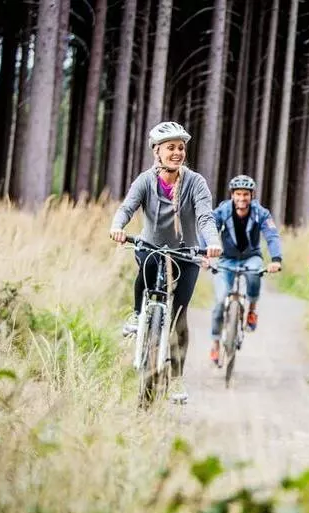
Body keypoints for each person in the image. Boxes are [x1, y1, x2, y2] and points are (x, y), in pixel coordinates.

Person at [109, 121, 222, 403]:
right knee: (146, 267)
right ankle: (138, 315)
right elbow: (127, 207)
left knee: (179, 316)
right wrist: (117, 226)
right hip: (151, 247)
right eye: (170, 147)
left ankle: (176, 379)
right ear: (156, 151)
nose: (177, 152)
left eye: (180, 147)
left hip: (186, 254)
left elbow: (205, 217)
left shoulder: (195, 182)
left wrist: (213, 242)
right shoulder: (145, 180)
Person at [208, 174, 283, 364]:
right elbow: (209, 229)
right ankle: (215, 343)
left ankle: (252, 309)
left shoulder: (260, 213)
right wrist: (205, 252)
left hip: (251, 257)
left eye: (246, 194)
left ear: (251, 196)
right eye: (238, 194)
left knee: (255, 275)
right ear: (232, 195)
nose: (242, 198)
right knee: (219, 302)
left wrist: (276, 259)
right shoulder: (223, 211)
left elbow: (272, 235)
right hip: (226, 259)